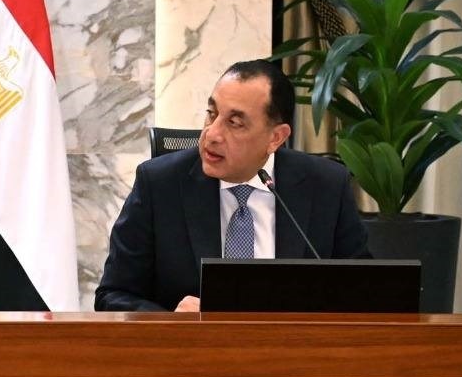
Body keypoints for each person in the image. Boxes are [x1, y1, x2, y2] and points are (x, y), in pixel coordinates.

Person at [95, 59, 368, 312]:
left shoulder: (326, 186)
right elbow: (112, 296)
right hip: (194, 348)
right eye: (211, 114)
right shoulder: (159, 185)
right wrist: (172, 322)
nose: (211, 134)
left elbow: (364, 294)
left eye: (235, 123)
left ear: (276, 137)